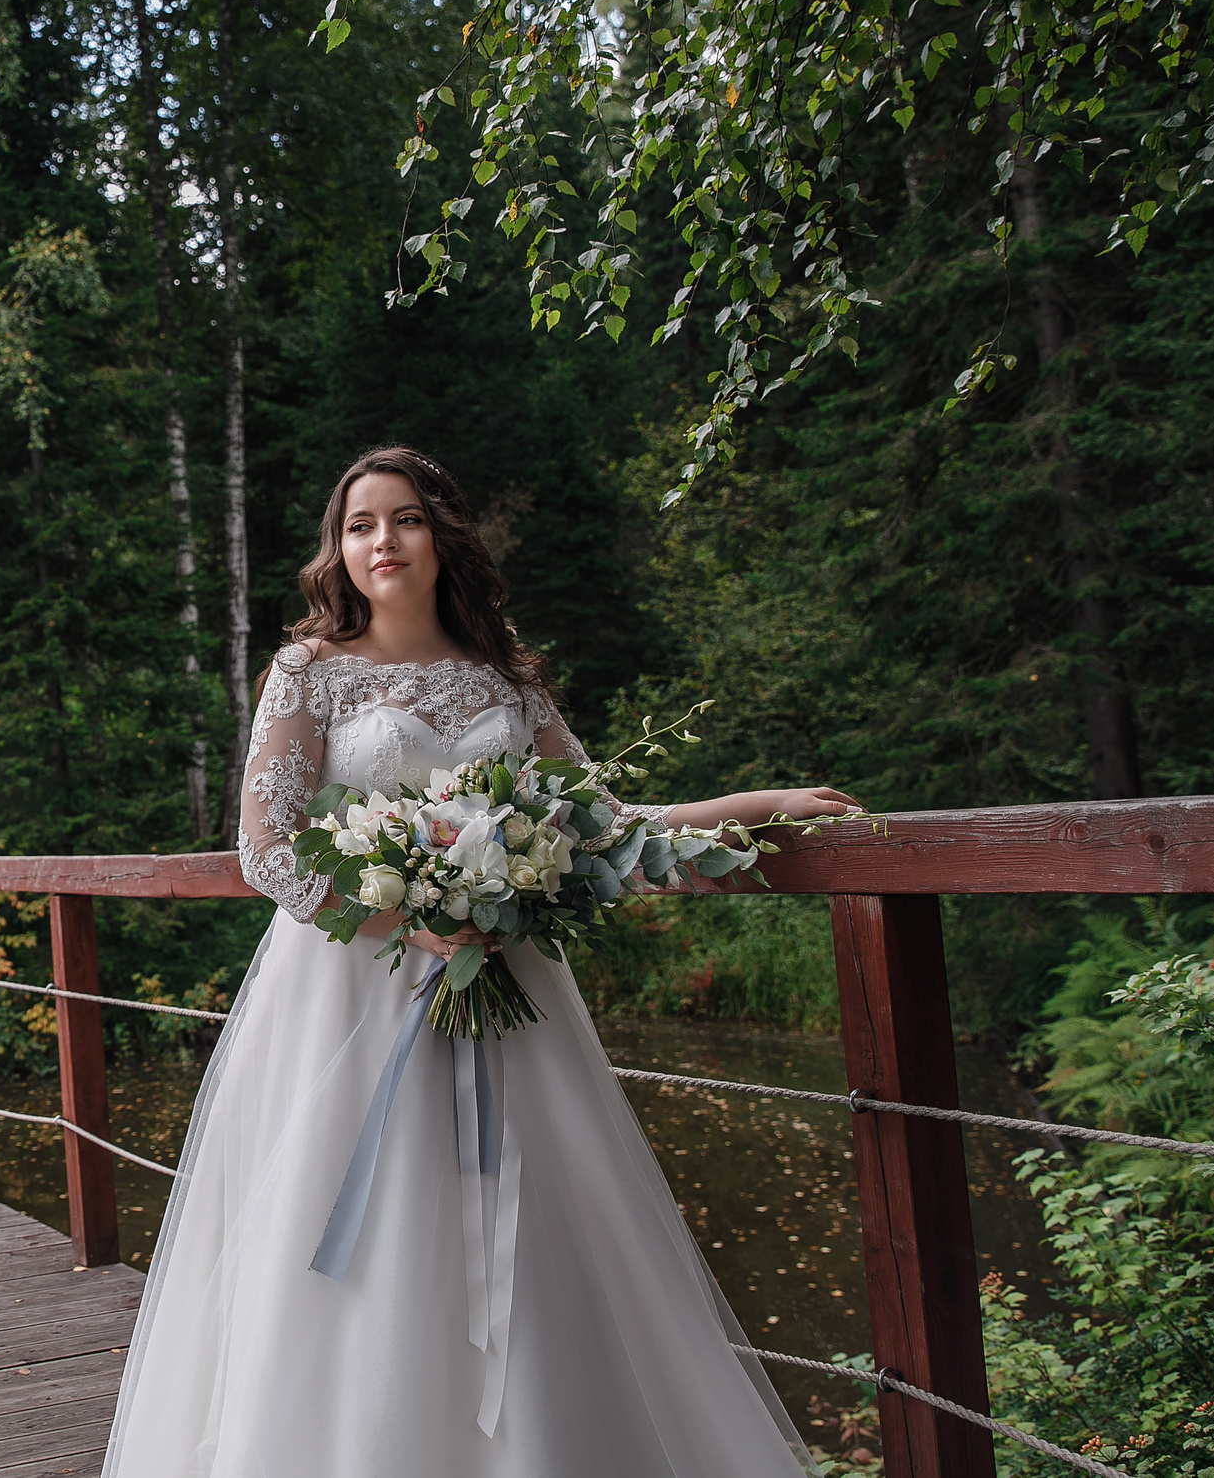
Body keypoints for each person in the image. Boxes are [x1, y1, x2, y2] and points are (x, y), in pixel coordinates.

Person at [102, 445, 861, 1477]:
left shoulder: (506, 677)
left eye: (404, 519)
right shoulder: (308, 675)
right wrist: (405, 921)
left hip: (504, 979)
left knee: (525, 1224)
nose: (382, 541)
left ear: (441, 535)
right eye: (360, 524)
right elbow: (266, 850)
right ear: (337, 549)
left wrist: (755, 807)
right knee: (369, 1229)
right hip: (348, 993)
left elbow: (600, 824)